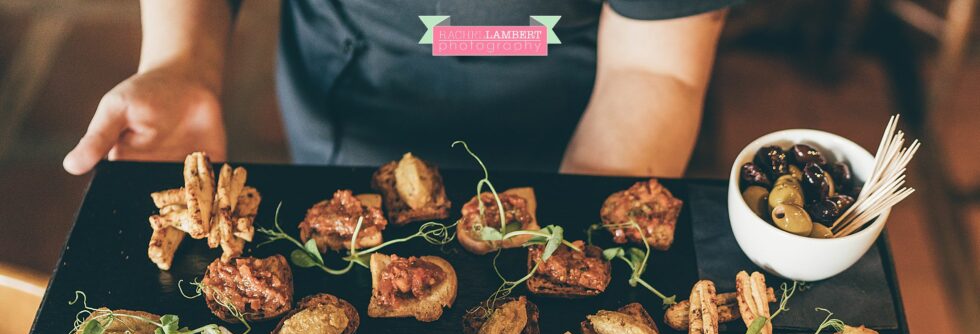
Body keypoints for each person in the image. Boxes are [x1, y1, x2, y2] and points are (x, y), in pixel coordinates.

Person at [63, 1, 734, 177]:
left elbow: (654, 70)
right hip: (353, 95)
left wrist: (580, 228)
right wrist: (182, 61)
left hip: (584, 112)